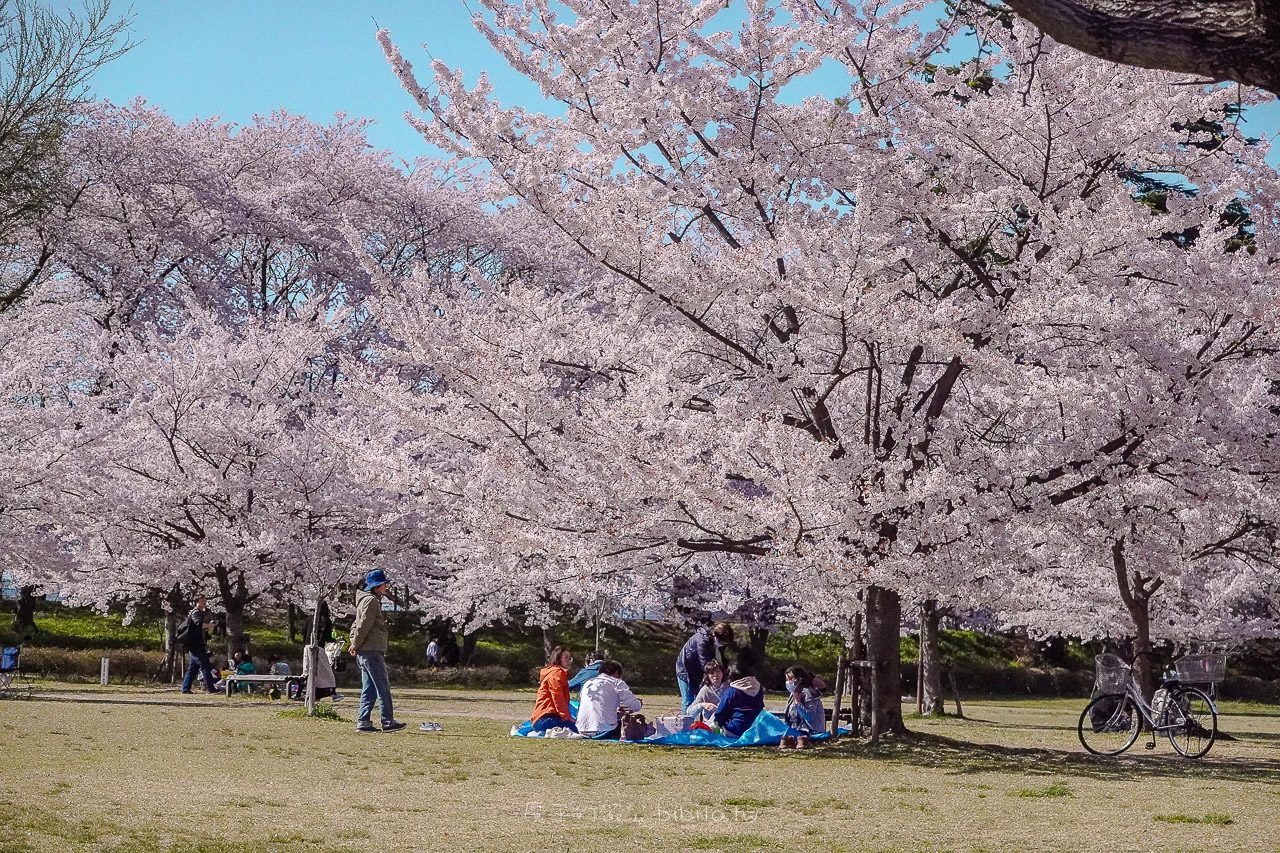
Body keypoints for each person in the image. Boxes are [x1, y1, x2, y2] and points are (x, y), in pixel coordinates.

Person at [349, 570, 406, 733]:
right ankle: (388, 721)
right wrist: (356, 644)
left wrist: (354, 644)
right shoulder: (371, 602)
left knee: (370, 688)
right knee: (382, 686)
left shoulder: (363, 601)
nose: (386, 586)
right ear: (378, 586)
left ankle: (364, 722)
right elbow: (363, 625)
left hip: (365, 651)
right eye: (384, 583)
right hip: (371, 650)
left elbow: (356, 624)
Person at [577, 660, 642, 739]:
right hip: (605, 730)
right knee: (635, 724)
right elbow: (636, 706)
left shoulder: (588, 683)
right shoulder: (617, 683)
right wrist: (639, 702)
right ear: (616, 673)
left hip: (581, 730)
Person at [676, 621, 733, 711]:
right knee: (689, 699)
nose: (722, 644)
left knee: (699, 698)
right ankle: (686, 723)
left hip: (699, 671)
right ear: (715, 635)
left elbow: (720, 660)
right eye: (721, 642)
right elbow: (706, 664)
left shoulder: (714, 640)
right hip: (686, 670)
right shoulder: (701, 641)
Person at [530, 645, 577, 733]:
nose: (569, 660)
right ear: (558, 658)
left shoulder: (555, 672)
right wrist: (568, 717)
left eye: (570, 658)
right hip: (545, 718)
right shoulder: (556, 673)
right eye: (566, 657)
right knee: (577, 729)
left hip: (542, 719)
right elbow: (558, 697)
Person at [712, 663, 764, 738]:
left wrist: (717, 725)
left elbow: (720, 713)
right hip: (755, 730)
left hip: (734, 730)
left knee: (712, 726)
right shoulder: (759, 688)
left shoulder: (732, 692)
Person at [180, 596, 219, 694]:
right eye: (202, 601)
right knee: (205, 666)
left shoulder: (199, 612)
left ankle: (185, 689)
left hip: (194, 644)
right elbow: (198, 624)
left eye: (205, 601)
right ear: (196, 602)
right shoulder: (196, 612)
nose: (204, 603)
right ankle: (210, 688)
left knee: (193, 668)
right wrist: (209, 625)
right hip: (195, 644)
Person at [781, 665, 825, 748]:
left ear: (799, 679)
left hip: (810, 732)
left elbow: (809, 717)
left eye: (791, 679)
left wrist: (798, 703)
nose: (788, 682)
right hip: (796, 731)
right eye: (787, 679)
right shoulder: (794, 693)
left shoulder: (809, 693)